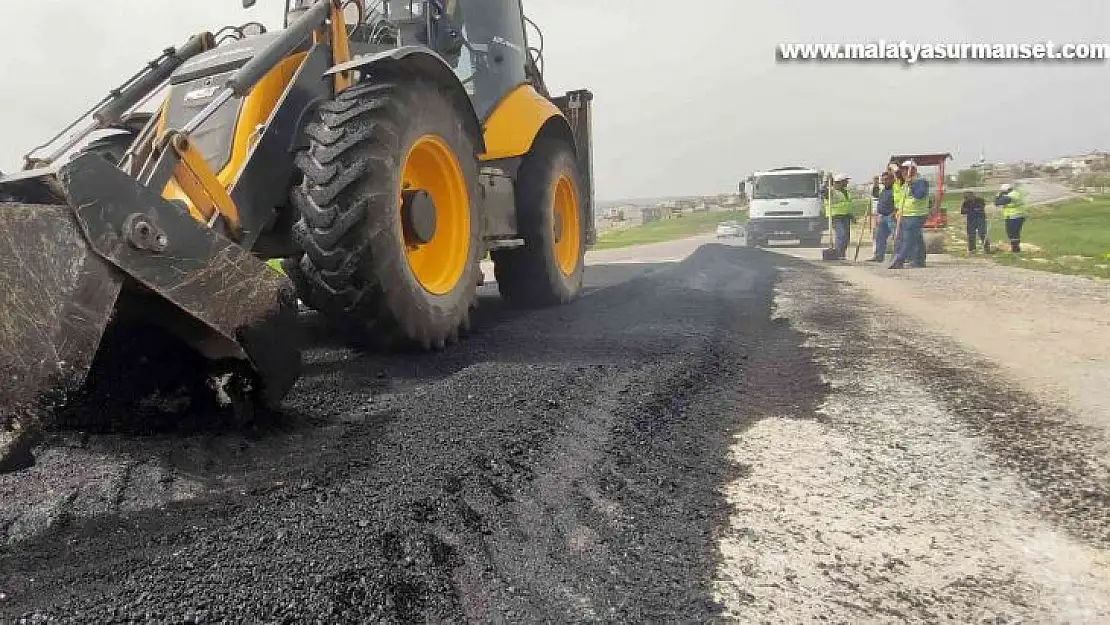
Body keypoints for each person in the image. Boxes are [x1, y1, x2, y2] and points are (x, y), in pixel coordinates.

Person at [888, 160, 929, 269]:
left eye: (907, 169)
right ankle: (919, 260)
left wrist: (911, 184)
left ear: (913, 170)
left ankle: (900, 260)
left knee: (908, 238)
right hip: (906, 214)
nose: (904, 172)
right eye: (903, 170)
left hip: (916, 214)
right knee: (916, 238)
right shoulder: (906, 182)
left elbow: (920, 195)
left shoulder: (920, 181)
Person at [868, 171, 897, 261]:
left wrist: (894, 213)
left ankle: (898, 257)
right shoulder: (883, 190)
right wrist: (875, 183)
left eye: (887, 179)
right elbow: (875, 194)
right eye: (883, 180)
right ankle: (878, 256)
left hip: (891, 217)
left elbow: (899, 202)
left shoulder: (895, 189)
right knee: (879, 237)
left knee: (896, 238)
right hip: (882, 217)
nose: (885, 181)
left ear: (892, 179)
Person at [825, 173, 853, 259]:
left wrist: (851, 215)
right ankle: (838, 253)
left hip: (845, 216)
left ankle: (842, 253)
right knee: (841, 234)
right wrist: (827, 182)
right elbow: (824, 192)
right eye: (845, 181)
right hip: (835, 216)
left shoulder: (846, 191)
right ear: (840, 182)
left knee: (846, 237)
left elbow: (847, 204)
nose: (847, 182)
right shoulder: (832, 191)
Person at [994, 183, 1025, 253]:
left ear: (1007, 190)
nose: (1002, 192)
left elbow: (997, 202)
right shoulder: (1014, 193)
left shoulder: (1011, 195)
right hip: (1015, 216)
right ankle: (1016, 248)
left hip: (1014, 216)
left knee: (1012, 233)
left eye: (1003, 191)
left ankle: (1015, 249)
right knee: (1014, 233)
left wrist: (998, 195)